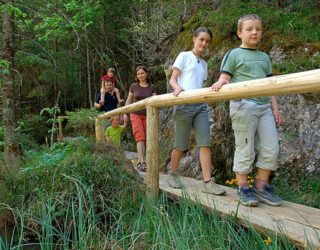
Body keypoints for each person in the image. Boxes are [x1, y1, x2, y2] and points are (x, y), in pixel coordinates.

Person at [212, 14, 283, 206]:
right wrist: (220, 82)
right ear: (239, 33)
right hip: (244, 105)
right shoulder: (234, 54)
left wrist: (275, 109)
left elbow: (272, 85)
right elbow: (225, 77)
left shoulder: (264, 57)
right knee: (245, 147)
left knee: (271, 147)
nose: (254, 32)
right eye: (249, 29)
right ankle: (243, 187)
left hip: (264, 106)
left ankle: (261, 187)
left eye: (258, 29)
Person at [167, 27, 226, 196]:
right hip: (184, 104)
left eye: (207, 41)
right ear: (194, 39)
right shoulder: (184, 56)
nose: (204, 43)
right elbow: (173, 79)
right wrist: (178, 89)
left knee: (205, 143)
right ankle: (173, 174)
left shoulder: (204, 64)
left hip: (200, 106)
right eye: (201, 39)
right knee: (181, 144)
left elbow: (200, 84)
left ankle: (208, 181)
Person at [126, 66, 157, 172]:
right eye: (138, 74)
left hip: (148, 115)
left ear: (146, 74)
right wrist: (125, 113)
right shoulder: (134, 86)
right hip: (135, 114)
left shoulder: (152, 87)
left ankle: (143, 161)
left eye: (142, 73)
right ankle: (142, 162)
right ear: (136, 76)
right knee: (140, 137)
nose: (140, 75)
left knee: (147, 138)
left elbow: (155, 102)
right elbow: (129, 100)